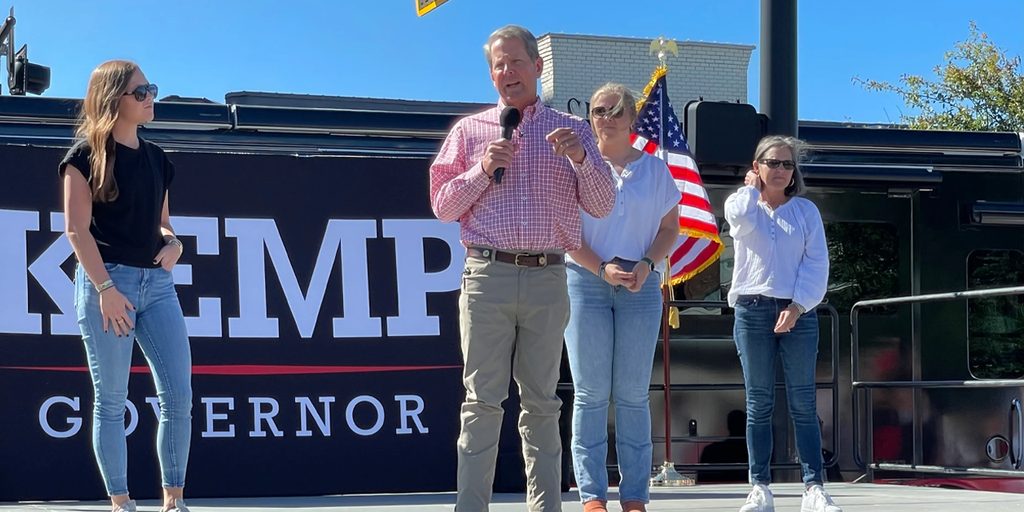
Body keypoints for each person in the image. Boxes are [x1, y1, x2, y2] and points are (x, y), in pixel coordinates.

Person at [429, 24, 615, 512]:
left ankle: (546, 508)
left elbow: (602, 204)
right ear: (491, 75)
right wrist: (481, 169)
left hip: (548, 278)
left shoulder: (572, 131)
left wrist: (580, 160)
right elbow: (444, 208)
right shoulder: (469, 133)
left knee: (542, 405)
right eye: (498, 65)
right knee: (482, 403)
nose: (507, 72)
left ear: (537, 66)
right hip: (486, 277)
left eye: (515, 61)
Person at [60, 60, 192, 512]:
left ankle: (174, 500)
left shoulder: (158, 158)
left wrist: (174, 244)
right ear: (114, 98)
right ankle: (121, 502)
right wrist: (104, 289)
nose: (150, 97)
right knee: (112, 401)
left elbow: (164, 225)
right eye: (141, 91)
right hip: (107, 285)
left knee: (178, 395)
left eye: (151, 89)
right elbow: (77, 230)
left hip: (157, 287)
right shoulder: (83, 157)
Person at [561, 83, 680, 512]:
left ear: (631, 117)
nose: (605, 117)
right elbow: (566, 234)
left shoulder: (656, 171)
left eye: (614, 110)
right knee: (590, 393)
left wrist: (647, 264)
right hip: (585, 280)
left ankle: (635, 496)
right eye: (597, 110)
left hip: (642, 282)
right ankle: (592, 496)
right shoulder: (574, 166)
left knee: (632, 393)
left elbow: (670, 229)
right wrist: (601, 268)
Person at [724, 135, 841, 512]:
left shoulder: (805, 211)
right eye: (772, 163)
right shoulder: (744, 205)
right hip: (751, 308)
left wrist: (797, 306)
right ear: (756, 166)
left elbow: (816, 264)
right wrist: (749, 187)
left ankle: (814, 488)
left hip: (798, 313)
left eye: (787, 164)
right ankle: (759, 487)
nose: (780, 171)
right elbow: (736, 217)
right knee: (758, 403)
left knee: (804, 403)